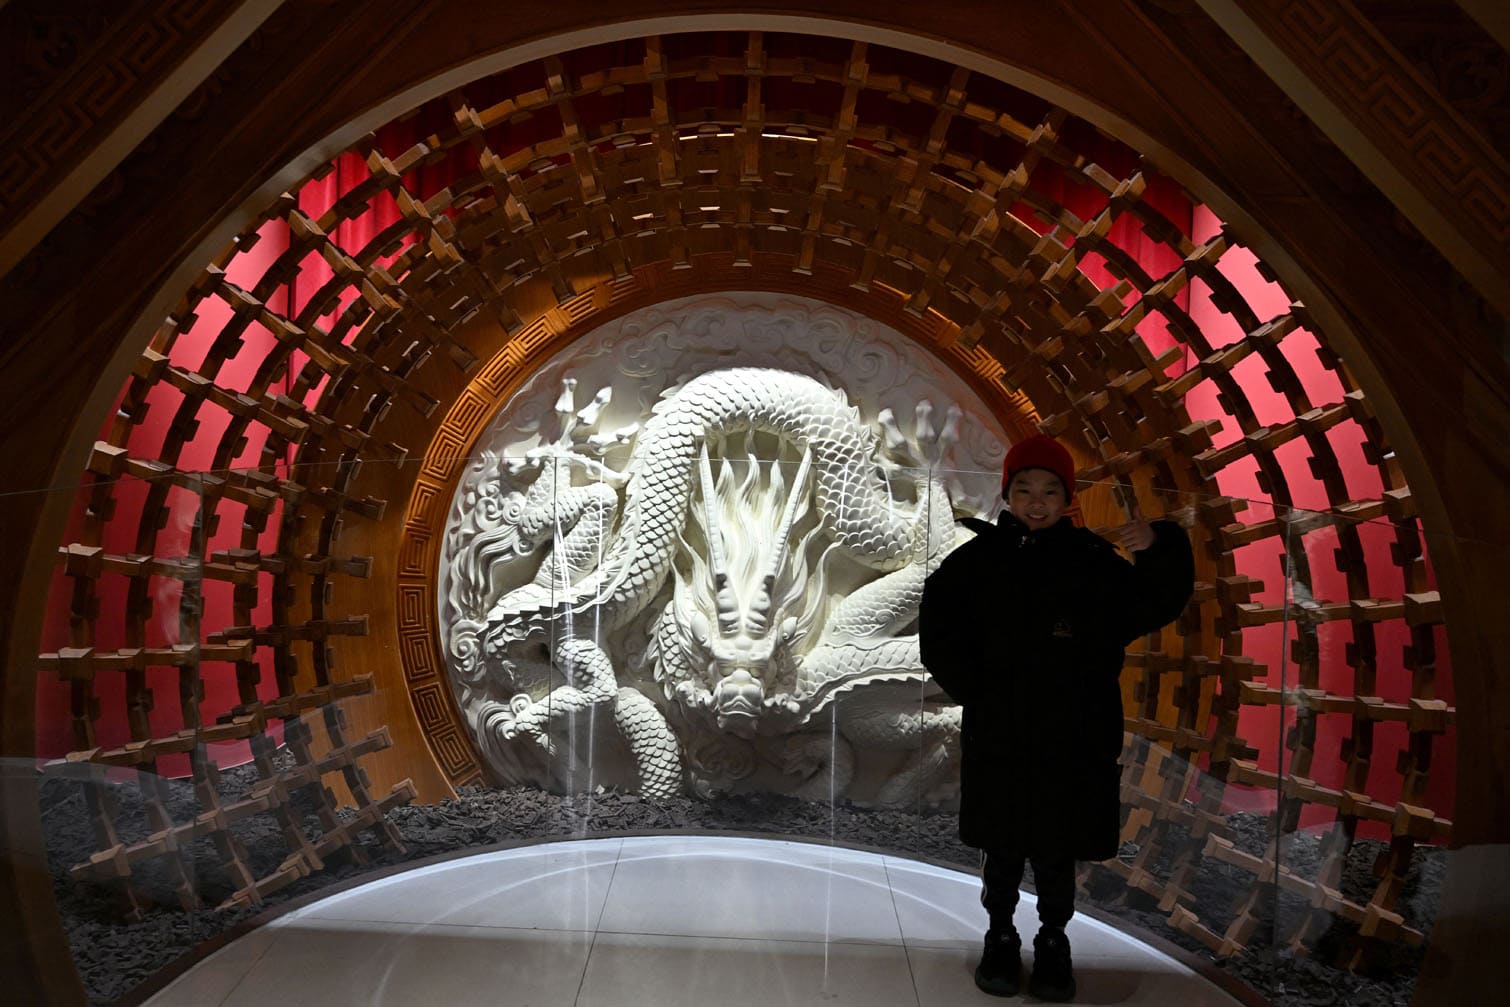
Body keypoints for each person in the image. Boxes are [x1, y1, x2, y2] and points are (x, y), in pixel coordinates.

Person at [919, 433, 1194, 1000]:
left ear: (1067, 498)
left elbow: (1152, 602)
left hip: (1071, 734)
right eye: (1024, 489)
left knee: (1056, 847)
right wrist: (980, 693)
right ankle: (999, 936)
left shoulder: (1093, 563)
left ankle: (1053, 941)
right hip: (1001, 733)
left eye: (1049, 490)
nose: (1036, 502)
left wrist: (1159, 546)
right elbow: (938, 631)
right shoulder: (976, 562)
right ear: (1007, 494)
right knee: (1001, 844)